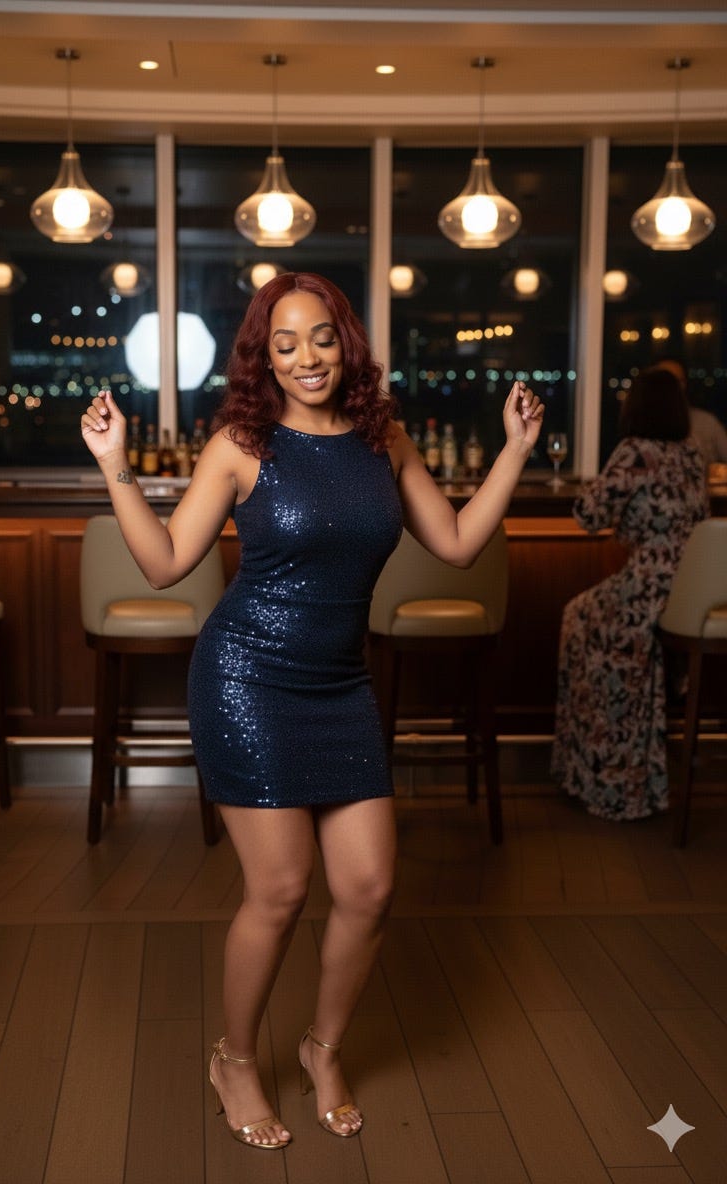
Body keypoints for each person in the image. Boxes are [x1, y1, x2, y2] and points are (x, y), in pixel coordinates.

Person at [80, 272, 543, 1150]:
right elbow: (166, 564)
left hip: (339, 684)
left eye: (321, 338)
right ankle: (234, 1059)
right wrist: (114, 465)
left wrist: (516, 449)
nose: (306, 358)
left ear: (346, 342)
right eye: (284, 344)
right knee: (283, 888)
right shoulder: (240, 445)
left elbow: (454, 543)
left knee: (369, 889)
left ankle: (322, 1049)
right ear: (264, 357)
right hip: (247, 679)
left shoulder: (384, 440)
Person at [551, 365, 708, 821]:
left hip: (650, 586)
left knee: (578, 614)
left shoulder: (635, 451)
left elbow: (588, 514)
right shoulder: (693, 452)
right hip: (691, 590)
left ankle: (603, 773)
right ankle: (635, 761)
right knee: (593, 614)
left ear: (636, 406)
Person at [656, 357, 727, 469]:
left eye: (678, 381)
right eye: (665, 381)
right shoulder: (640, 431)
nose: (673, 387)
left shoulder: (706, 423)